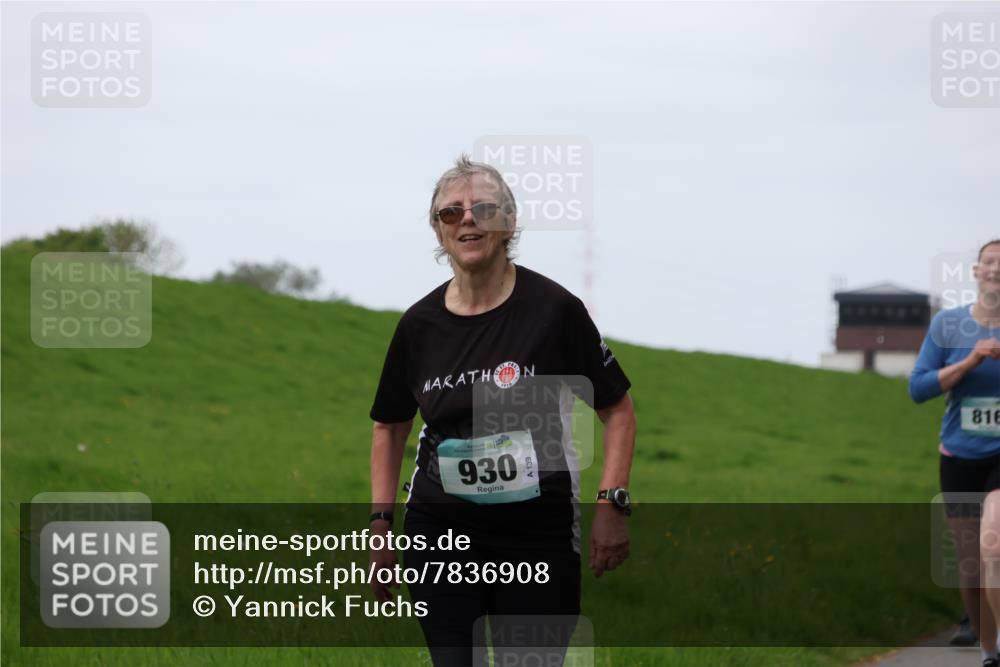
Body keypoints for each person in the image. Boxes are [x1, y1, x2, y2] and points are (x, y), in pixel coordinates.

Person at [367, 156, 637, 666]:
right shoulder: (418, 326)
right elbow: (389, 424)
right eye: (451, 213)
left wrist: (611, 505)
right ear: (439, 230)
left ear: (509, 223)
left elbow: (618, 410)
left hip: (536, 535)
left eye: (484, 208)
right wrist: (381, 524)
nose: (467, 219)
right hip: (440, 532)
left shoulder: (554, 311)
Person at [910, 239, 1000, 667]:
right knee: (970, 564)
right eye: (989, 262)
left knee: (992, 546)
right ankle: (989, 650)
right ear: (976, 271)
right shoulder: (948, 326)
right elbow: (918, 388)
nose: (996, 270)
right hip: (959, 456)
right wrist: (969, 363)